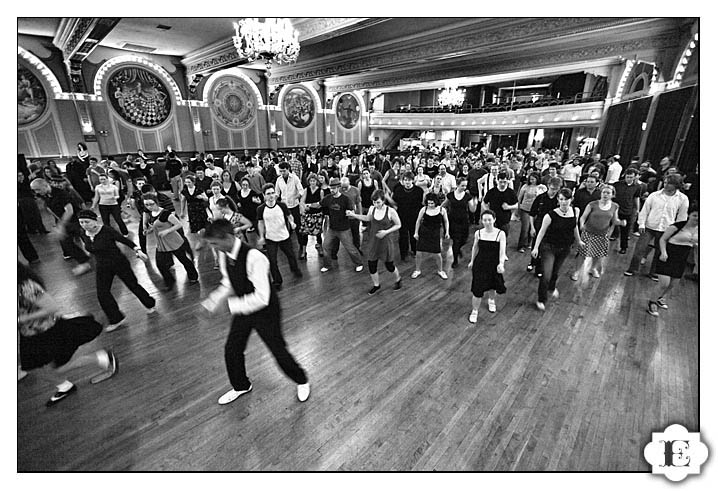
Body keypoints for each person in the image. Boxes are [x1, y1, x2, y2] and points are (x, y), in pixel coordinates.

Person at [200, 219, 310, 405]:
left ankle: (302, 380)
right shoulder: (224, 255)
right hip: (243, 307)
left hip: (265, 311)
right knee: (232, 349)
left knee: (278, 351)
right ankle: (241, 385)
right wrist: (212, 302)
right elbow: (228, 283)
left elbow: (262, 298)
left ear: (227, 237)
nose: (213, 248)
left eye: (215, 243)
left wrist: (228, 307)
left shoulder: (255, 258)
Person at [17, 263, 118, 407]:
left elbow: (52, 307)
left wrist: (22, 319)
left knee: (58, 367)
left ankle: (103, 358)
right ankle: (64, 386)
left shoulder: (27, 287)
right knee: (32, 367)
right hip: (30, 333)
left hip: (47, 331)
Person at [77, 210, 156, 331]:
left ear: (95, 221)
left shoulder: (107, 231)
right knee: (102, 294)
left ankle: (149, 303)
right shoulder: (83, 233)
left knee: (132, 285)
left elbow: (125, 240)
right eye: (81, 222)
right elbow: (89, 247)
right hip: (102, 266)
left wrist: (138, 250)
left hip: (118, 262)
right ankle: (116, 318)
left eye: (86, 222)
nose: (84, 225)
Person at [624, 174, 689, 280]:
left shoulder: (682, 199)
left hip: (666, 229)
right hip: (650, 226)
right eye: (665, 182)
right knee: (639, 249)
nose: (665, 184)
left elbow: (682, 217)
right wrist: (641, 224)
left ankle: (653, 272)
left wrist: (676, 231)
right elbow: (645, 210)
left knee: (660, 252)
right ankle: (632, 269)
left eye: (669, 183)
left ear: (676, 185)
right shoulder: (655, 195)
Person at [531, 189, 585, 311]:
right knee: (546, 274)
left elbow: (574, 227)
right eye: (561, 199)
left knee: (555, 271)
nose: (564, 202)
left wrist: (579, 240)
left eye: (566, 199)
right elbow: (541, 232)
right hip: (548, 247)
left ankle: (551, 287)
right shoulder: (550, 215)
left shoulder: (575, 211)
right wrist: (535, 247)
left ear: (571, 199)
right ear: (558, 200)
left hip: (565, 248)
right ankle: (541, 299)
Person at [30, 178, 91, 275]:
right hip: (66, 222)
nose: (37, 192)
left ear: (45, 185)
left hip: (77, 220)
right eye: (35, 190)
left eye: (38, 189)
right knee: (65, 242)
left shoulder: (61, 193)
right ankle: (84, 262)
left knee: (89, 241)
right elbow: (51, 210)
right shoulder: (45, 196)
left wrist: (61, 225)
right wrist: (58, 225)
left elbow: (69, 211)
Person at [647, 205, 698, 317]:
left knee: (673, 283)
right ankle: (652, 302)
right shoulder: (677, 226)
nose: (697, 218)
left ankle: (660, 298)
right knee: (664, 283)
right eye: (695, 215)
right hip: (669, 255)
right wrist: (664, 252)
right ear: (689, 215)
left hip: (682, 258)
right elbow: (663, 239)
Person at [347, 190, 402, 295]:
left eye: (378, 202)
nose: (376, 204)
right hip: (374, 241)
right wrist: (354, 215)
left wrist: (386, 232)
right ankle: (376, 285)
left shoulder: (390, 211)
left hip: (386, 242)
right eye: (374, 202)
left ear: (383, 201)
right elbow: (367, 218)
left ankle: (398, 279)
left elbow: (398, 225)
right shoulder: (372, 209)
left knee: (389, 266)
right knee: (372, 264)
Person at [142, 193, 199, 290]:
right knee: (160, 264)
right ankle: (170, 282)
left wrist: (167, 231)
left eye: (151, 204)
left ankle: (193, 277)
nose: (149, 207)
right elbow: (155, 226)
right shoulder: (150, 214)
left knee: (183, 260)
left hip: (173, 241)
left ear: (156, 202)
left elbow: (179, 224)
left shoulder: (165, 213)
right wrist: (148, 231)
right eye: (146, 205)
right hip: (161, 243)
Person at [570, 185, 624, 283]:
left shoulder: (615, 206)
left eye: (608, 193)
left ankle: (593, 268)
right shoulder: (592, 204)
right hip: (588, 232)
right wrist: (582, 225)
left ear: (612, 195)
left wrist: (621, 222)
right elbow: (583, 217)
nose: (605, 195)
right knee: (582, 253)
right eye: (604, 192)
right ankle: (577, 271)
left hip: (603, 234)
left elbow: (614, 220)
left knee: (598, 254)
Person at [256, 183, 303, 290]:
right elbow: (260, 223)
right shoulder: (261, 209)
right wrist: (262, 237)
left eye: (273, 193)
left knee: (291, 255)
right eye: (268, 194)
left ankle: (295, 270)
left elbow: (289, 216)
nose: (271, 195)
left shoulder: (282, 206)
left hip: (284, 236)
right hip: (270, 238)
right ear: (264, 195)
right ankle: (277, 281)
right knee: (272, 261)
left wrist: (292, 223)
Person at [467, 210, 507, 323]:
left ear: (494, 220)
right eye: (485, 220)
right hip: (480, 264)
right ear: (481, 220)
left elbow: (502, 250)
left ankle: (491, 300)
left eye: (489, 219)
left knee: (492, 285)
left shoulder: (500, 234)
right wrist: (472, 261)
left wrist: (501, 263)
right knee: (477, 288)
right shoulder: (478, 233)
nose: (487, 222)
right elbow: (475, 248)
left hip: (493, 264)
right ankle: (474, 311)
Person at [319, 177, 364, 273]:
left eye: (334, 188)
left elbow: (352, 208)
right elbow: (319, 204)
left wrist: (350, 212)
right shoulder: (328, 198)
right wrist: (309, 205)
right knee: (325, 246)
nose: (332, 190)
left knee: (350, 248)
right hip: (332, 228)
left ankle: (359, 263)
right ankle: (327, 265)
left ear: (338, 188)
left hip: (344, 229)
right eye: (331, 188)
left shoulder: (345, 199)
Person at [412, 192, 450, 279]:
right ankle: (417, 270)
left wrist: (447, 232)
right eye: (429, 203)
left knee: (437, 254)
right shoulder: (424, 209)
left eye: (432, 203)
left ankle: (440, 270)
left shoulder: (442, 210)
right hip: (424, 232)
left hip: (435, 234)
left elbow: (446, 221)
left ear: (436, 202)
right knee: (419, 252)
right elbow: (418, 221)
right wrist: (416, 232)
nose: (430, 205)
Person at [444, 177, 478, 268]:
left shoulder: (467, 196)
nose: (464, 187)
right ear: (457, 185)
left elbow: (472, 210)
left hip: (464, 221)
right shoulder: (450, 195)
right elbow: (444, 205)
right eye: (462, 185)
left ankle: (458, 249)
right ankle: (455, 260)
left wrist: (475, 203)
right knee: (456, 240)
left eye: (465, 186)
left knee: (464, 240)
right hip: (453, 221)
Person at [390, 171, 425, 261]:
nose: (407, 182)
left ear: (413, 180)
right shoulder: (398, 190)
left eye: (409, 180)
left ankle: (415, 251)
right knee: (403, 237)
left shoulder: (419, 191)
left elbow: (421, 205)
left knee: (414, 235)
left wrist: (420, 218)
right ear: (403, 181)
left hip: (414, 218)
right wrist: (387, 198)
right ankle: (404, 254)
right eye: (405, 180)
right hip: (402, 217)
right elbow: (395, 203)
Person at [611, 168, 642, 254]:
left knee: (625, 230)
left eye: (631, 177)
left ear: (634, 177)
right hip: (615, 209)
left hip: (627, 210)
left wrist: (638, 209)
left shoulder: (637, 187)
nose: (629, 179)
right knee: (610, 226)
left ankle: (623, 247)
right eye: (627, 177)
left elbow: (636, 198)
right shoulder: (617, 184)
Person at [482, 171, 519, 241]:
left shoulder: (510, 192)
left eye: (504, 182)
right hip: (492, 220)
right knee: (491, 238)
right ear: (497, 181)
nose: (502, 184)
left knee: (503, 238)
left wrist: (509, 207)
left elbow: (517, 205)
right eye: (500, 182)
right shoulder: (492, 191)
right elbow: (484, 203)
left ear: (507, 181)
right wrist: (487, 211)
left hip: (505, 219)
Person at [298, 173, 326, 259]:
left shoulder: (320, 191)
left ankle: (320, 248)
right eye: (311, 181)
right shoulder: (306, 190)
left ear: (316, 181)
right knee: (304, 234)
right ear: (309, 181)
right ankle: (303, 251)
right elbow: (302, 201)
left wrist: (312, 205)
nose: (312, 182)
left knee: (318, 233)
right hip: (308, 214)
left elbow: (321, 203)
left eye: (314, 181)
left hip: (317, 215)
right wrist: (304, 207)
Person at [516, 172, 546, 253]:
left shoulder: (542, 187)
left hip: (536, 210)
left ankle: (528, 243)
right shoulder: (525, 186)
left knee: (532, 228)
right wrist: (517, 209)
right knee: (525, 228)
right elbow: (519, 198)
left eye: (533, 179)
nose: (532, 181)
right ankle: (521, 245)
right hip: (525, 208)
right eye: (530, 179)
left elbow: (545, 197)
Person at [275, 161, 304, 241]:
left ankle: (301, 244)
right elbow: (277, 193)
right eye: (280, 171)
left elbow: (301, 191)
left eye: (284, 171)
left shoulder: (295, 178)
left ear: (288, 169)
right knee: (284, 225)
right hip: (284, 206)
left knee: (297, 225)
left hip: (294, 205)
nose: (282, 173)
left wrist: (296, 196)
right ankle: (287, 241)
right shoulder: (279, 180)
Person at [180, 174, 209, 251]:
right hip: (191, 211)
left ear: (193, 182)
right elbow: (183, 201)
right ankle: (200, 242)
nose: (187, 184)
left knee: (203, 226)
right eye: (186, 182)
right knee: (195, 229)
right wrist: (182, 212)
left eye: (189, 182)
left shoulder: (199, 189)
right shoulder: (185, 191)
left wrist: (202, 197)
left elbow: (206, 198)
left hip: (200, 210)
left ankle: (205, 240)